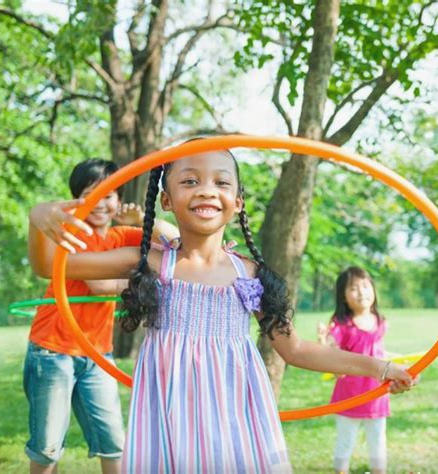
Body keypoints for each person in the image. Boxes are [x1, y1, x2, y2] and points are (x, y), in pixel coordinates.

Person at [31, 150, 417, 473]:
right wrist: (38, 216)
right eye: (189, 181)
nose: (206, 191)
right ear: (166, 200)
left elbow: (296, 350)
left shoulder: (249, 274)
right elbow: (49, 267)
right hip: (170, 420)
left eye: (221, 182)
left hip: (235, 422)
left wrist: (380, 367)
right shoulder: (147, 261)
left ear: (238, 200)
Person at [25, 158, 178, 474]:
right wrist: (140, 281)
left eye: (107, 194)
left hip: (97, 354)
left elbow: (176, 241)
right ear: (75, 200)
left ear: (118, 199)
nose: (99, 202)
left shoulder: (122, 236)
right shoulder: (69, 233)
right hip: (53, 350)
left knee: (114, 443)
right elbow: (99, 286)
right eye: (89, 194)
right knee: (48, 446)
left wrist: (143, 220)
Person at [317, 266, 392, 474]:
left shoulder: (380, 321)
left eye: (366, 286)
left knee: (378, 439)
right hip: (349, 395)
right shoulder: (341, 325)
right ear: (343, 296)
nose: (361, 292)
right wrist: (324, 340)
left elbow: (378, 350)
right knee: (345, 440)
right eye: (353, 288)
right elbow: (333, 357)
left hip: (376, 394)